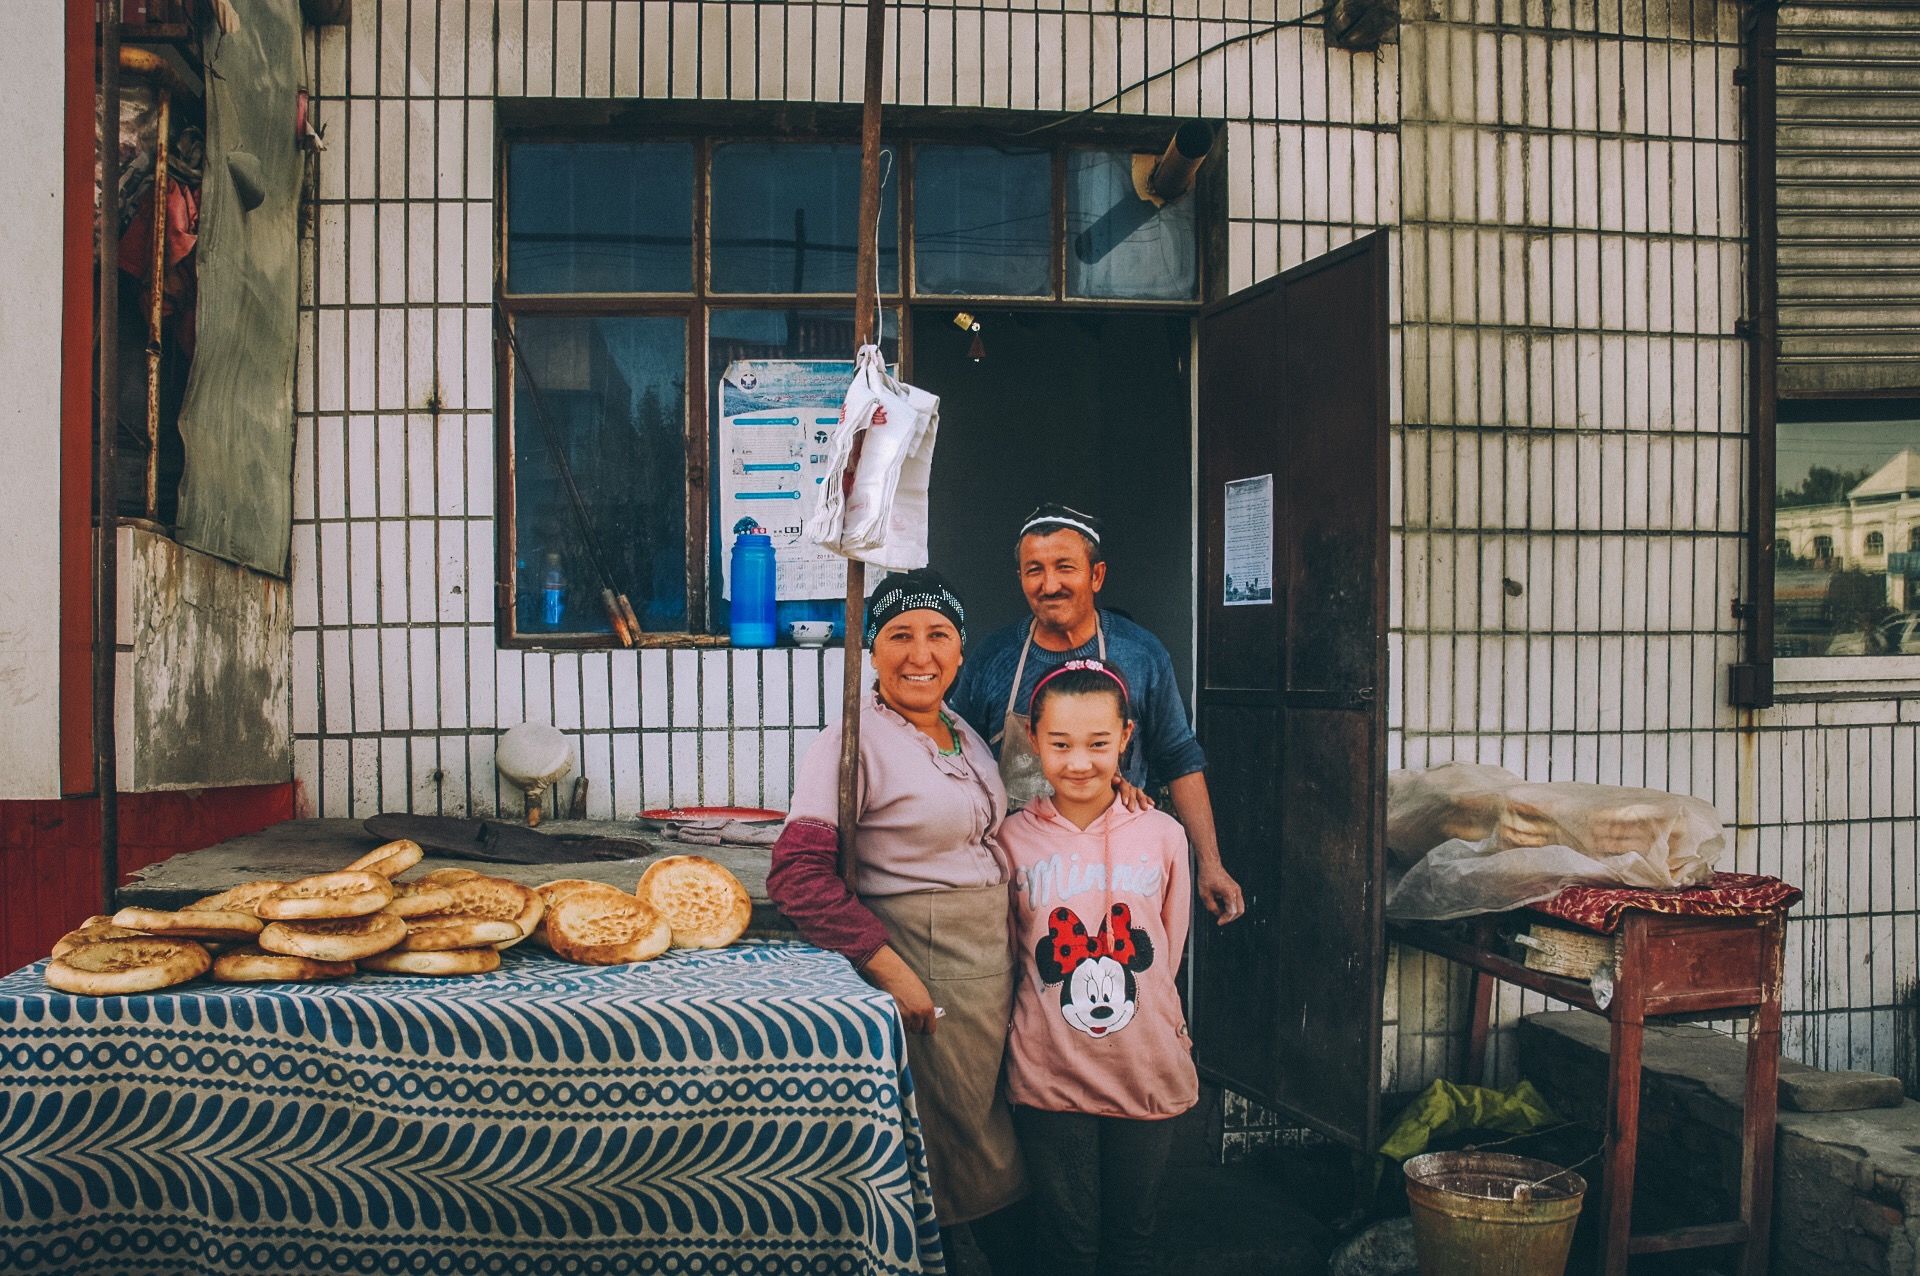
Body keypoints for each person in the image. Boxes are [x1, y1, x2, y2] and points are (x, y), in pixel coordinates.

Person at [766, 568, 1028, 1261]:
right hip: (926, 966)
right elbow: (796, 875)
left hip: (987, 970)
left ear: (961, 650)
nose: (921, 654)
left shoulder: (964, 733)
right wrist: (887, 968)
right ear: (871, 653)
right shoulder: (849, 741)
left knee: (982, 1148)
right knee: (961, 1158)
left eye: (938, 635)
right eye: (899, 636)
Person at [949, 502, 1245, 924]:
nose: (1049, 585)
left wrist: (1211, 863)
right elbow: (957, 759)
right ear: (1020, 579)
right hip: (1019, 872)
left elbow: (1180, 758)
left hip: (1121, 868)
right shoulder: (994, 658)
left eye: (1064, 567)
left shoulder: (1140, 654)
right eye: (1034, 570)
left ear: (1096, 574)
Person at [1001, 660, 1196, 1276]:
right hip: (1048, 1070)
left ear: (1126, 739)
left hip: (1144, 1067)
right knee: (1067, 1244)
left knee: (1132, 1243)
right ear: (1034, 740)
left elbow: (1169, 949)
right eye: (1059, 744)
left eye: (1098, 744)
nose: (1078, 761)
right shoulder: (1011, 839)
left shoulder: (1164, 835)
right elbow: (1009, 954)